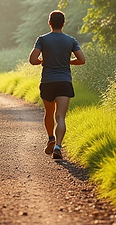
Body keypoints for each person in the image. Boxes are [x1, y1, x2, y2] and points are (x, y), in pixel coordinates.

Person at [29, 10, 85, 160]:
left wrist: (43, 60)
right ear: (64, 23)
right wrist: (68, 61)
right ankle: (58, 147)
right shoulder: (71, 40)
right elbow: (82, 60)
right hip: (64, 81)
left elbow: (33, 59)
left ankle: (50, 138)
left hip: (47, 81)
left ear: (50, 23)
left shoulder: (42, 39)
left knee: (49, 112)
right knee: (60, 116)